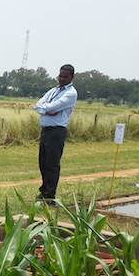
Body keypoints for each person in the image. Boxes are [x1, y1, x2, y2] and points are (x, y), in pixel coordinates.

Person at [34, 64, 78, 204]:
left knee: (52, 164)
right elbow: (38, 105)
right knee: (43, 162)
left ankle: (50, 195)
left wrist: (46, 108)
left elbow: (53, 107)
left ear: (71, 77)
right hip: (46, 130)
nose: (62, 79)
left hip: (57, 131)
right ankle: (44, 191)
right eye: (60, 76)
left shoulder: (70, 93)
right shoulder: (53, 90)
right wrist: (48, 110)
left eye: (65, 77)